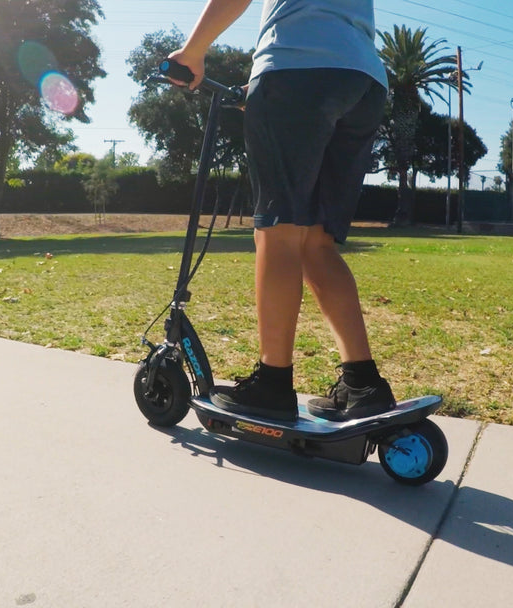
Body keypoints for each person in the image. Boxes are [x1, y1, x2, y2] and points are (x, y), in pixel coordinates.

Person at [167, 0, 396, 423]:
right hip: (363, 80)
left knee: (278, 229)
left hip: (295, 69)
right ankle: (363, 383)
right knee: (317, 242)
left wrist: (193, 50)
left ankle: (273, 383)